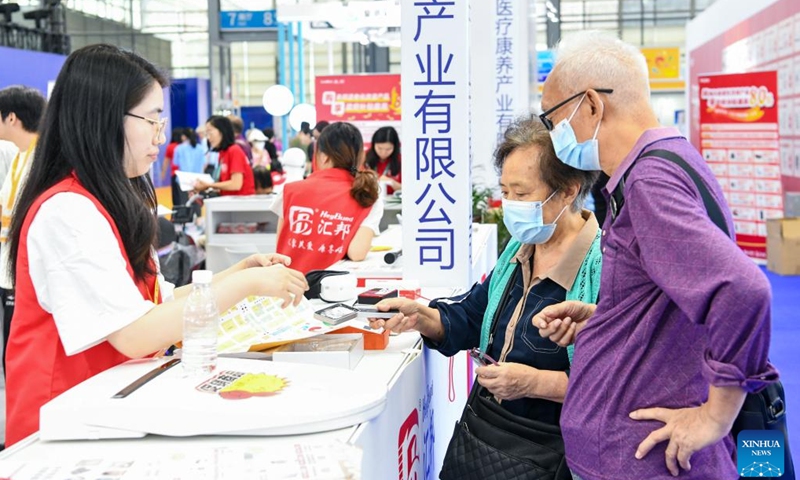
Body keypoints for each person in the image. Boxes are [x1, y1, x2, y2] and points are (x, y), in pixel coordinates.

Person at [5, 44, 309, 446]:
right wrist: (247, 287)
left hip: (107, 410)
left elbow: (156, 303)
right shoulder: (68, 210)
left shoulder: (109, 199)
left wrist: (239, 272)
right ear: (103, 117)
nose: (159, 135)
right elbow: (134, 334)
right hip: (65, 426)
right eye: (150, 119)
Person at [533, 31, 777, 480]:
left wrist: (715, 416)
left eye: (553, 118)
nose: (553, 136)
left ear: (590, 105)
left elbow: (742, 289)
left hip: (642, 460)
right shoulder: (669, 163)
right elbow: (679, 287)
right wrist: (613, 316)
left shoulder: (649, 182)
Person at [368, 116, 601, 478]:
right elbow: (475, 316)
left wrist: (535, 383)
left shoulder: (604, 269)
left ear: (569, 190)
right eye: (505, 192)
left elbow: (616, 384)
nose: (510, 205)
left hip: (553, 453)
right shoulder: (520, 250)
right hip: (485, 434)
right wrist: (424, 316)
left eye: (522, 194)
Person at [271, 122, 384, 274]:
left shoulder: (290, 191)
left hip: (286, 289)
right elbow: (357, 253)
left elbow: (281, 247)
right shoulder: (366, 195)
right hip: (334, 292)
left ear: (322, 156)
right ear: (360, 156)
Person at [0, 85, 46, 375]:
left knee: (21, 349)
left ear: (12, 118)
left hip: (27, 268)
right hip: (12, 262)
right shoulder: (21, 155)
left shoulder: (43, 159)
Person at [194, 116, 256, 196]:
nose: (208, 138)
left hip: (242, 203)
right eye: (206, 134)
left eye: (210, 132)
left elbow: (236, 184)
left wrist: (209, 185)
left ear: (222, 131)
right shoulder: (223, 153)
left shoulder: (234, 150)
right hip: (228, 202)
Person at [365, 126, 401, 194]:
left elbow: (410, 189)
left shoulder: (402, 160)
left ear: (395, 147)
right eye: (380, 148)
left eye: (388, 149)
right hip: (368, 200)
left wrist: (392, 183)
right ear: (373, 144)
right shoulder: (363, 158)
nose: (383, 153)